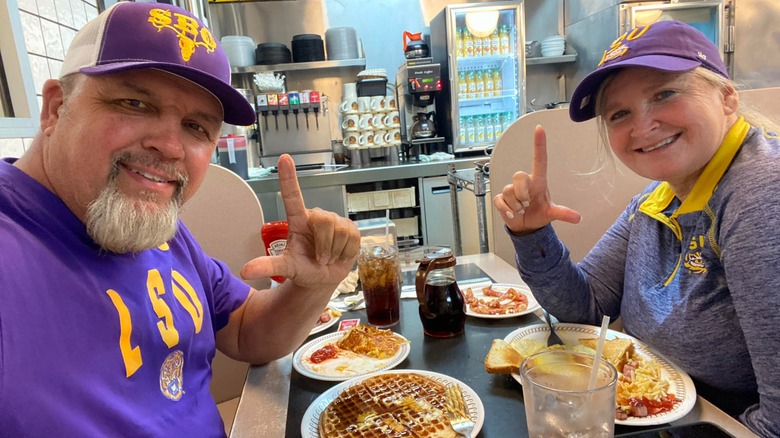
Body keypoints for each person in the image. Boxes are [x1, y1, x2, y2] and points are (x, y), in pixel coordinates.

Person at [0, 2, 360, 436]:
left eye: (196, 126)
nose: (171, 147)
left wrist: (315, 284)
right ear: (56, 108)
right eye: (136, 103)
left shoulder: (156, 231)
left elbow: (247, 331)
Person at [493, 20, 779, 438]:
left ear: (727, 97)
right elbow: (585, 309)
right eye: (620, 114)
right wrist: (532, 233)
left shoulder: (761, 194)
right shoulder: (655, 201)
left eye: (665, 93)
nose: (642, 126)